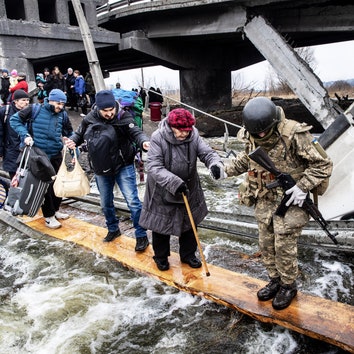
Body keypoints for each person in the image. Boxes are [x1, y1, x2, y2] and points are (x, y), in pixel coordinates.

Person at [224, 97, 333, 310]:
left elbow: (323, 165)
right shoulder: (251, 134)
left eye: (266, 131)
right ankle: (274, 280)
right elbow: (247, 159)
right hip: (264, 197)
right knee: (266, 243)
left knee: (284, 245)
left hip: (292, 198)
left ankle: (288, 285)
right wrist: (225, 170)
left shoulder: (294, 134)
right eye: (258, 133)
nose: (262, 136)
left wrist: (303, 186)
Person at [139, 108, 225, 271]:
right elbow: (154, 166)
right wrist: (174, 182)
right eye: (180, 131)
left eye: (187, 131)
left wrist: (215, 164)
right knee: (161, 225)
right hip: (162, 188)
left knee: (189, 224)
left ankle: (188, 255)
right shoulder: (158, 137)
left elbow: (207, 153)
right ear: (171, 126)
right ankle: (161, 257)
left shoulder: (194, 135)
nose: (184, 134)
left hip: (188, 187)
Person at [64, 90, 150, 252]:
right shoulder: (89, 119)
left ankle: (141, 235)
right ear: (98, 109)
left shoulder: (123, 117)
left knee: (132, 201)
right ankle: (113, 229)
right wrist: (73, 141)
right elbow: (79, 134)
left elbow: (136, 133)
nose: (110, 114)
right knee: (105, 203)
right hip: (100, 166)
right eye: (106, 111)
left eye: (112, 110)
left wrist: (144, 142)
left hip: (123, 165)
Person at [10, 89, 74, 229]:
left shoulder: (62, 114)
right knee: (44, 186)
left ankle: (56, 211)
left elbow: (70, 132)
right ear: (50, 100)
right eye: (58, 103)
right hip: (38, 155)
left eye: (63, 104)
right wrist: (25, 135)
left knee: (58, 184)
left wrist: (69, 140)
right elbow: (14, 120)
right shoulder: (34, 109)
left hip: (56, 154)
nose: (61, 106)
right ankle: (49, 217)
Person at [0, 89, 30, 179]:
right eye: (23, 100)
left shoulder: (31, 112)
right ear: (16, 101)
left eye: (27, 100)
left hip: (27, 151)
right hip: (11, 150)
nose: (26, 102)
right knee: (14, 178)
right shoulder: (5, 111)